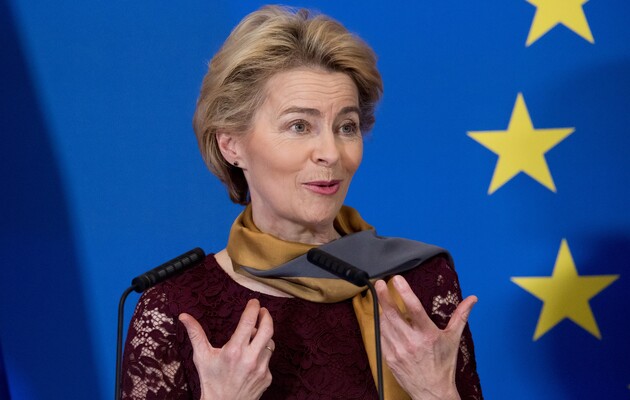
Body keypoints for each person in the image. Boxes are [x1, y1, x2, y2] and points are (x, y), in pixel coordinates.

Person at [122, 5, 482, 400]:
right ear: (231, 145)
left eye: (346, 127)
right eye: (299, 126)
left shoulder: (418, 283)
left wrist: (436, 391)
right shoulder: (175, 309)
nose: (331, 152)